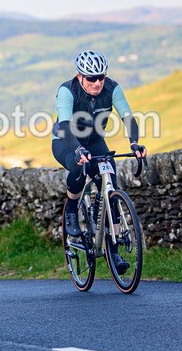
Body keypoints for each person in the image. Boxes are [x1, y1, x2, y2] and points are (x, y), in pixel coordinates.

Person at [51, 50, 147, 274]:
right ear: (80, 76)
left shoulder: (112, 88)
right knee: (78, 166)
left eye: (101, 77)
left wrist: (134, 144)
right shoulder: (67, 90)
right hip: (66, 141)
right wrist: (77, 149)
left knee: (110, 184)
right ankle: (72, 209)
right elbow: (64, 125)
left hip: (95, 142)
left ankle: (113, 251)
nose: (97, 83)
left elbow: (128, 117)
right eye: (91, 78)